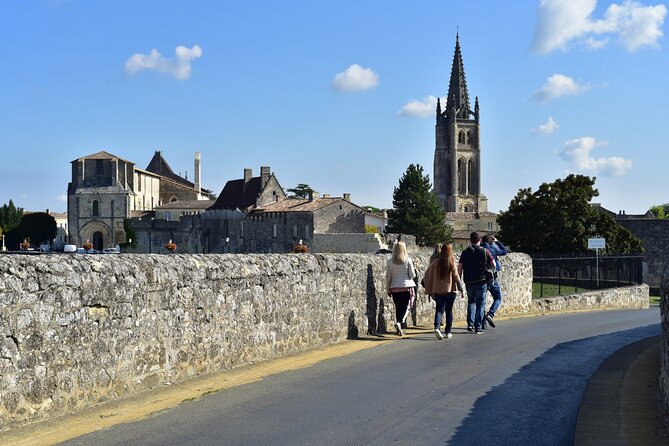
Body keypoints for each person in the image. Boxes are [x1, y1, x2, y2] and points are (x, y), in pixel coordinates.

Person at [422, 243, 464, 339]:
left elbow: (427, 275)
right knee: (449, 311)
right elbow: (456, 277)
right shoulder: (451, 262)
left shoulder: (435, 263)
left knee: (439, 310)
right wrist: (461, 290)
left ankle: (437, 327)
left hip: (438, 291)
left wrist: (429, 288)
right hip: (450, 291)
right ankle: (448, 331)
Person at [458, 231, 495, 334]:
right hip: (481, 281)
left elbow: (459, 269)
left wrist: (459, 282)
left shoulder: (465, 253)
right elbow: (493, 264)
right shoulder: (485, 251)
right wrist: (489, 269)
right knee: (480, 304)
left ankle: (470, 324)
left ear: (470, 240)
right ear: (479, 240)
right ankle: (478, 327)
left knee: (471, 302)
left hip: (468, 281)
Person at [386, 240, 417, 337]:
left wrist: (388, 289)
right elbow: (412, 275)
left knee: (398, 308)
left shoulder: (390, 262)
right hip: (406, 287)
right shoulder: (408, 260)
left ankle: (399, 327)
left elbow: (388, 277)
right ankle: (400, 323)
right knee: (405, 308)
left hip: (394, 287)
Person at [480, 234, 508, 328]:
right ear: (491, 242)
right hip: (492, 277)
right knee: (498, 298)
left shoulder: (479, 250)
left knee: (482, 300)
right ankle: (490, 314)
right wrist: (497, 242)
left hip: (481, 277)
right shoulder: (493, 249)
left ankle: (483, 323)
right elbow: (504, 251)